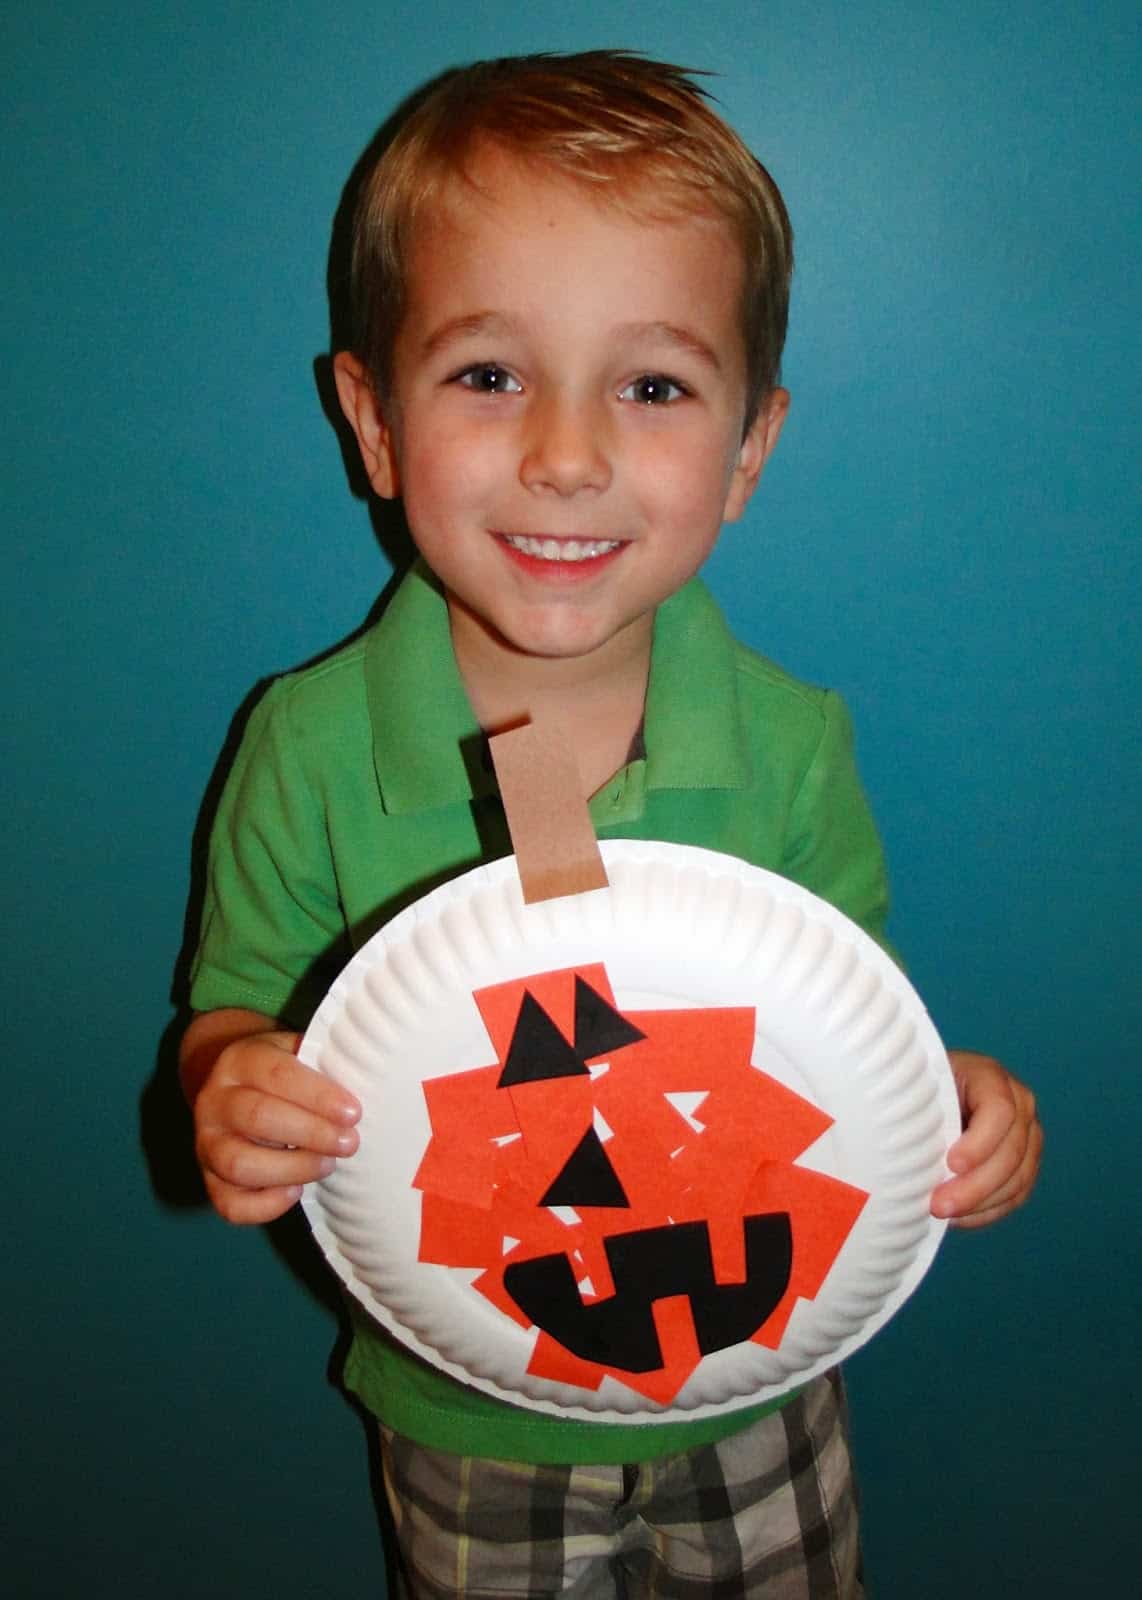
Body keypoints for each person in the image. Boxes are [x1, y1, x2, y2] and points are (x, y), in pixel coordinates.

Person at [180, 51, 1042, 1597]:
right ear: (371, 422)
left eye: (651, 387)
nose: (565, 454)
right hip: (465, 1398)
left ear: (747, 447)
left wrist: (951, 1105)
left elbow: (840, 1034)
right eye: (488, 374)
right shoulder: (307, 748)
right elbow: (229, 1007)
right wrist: (232, 1081)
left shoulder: (788, 744)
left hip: (756, 1378)